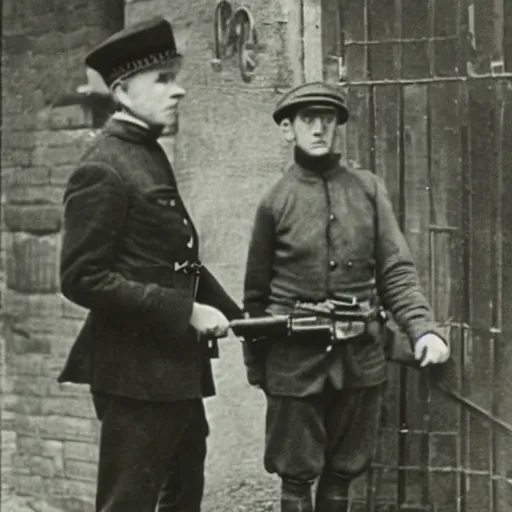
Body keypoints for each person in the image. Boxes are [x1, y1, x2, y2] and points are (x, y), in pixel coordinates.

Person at [57, 17, 243, 512]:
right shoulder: (104, 166)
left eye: (174, 77)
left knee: (182, 497)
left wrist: (243, 318)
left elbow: (177, 263)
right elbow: (81, 277)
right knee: (130, 504)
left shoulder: (147, 155)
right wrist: (185, 312)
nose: (178, 90)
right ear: (121, 91)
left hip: (174, 370)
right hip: (134, 375)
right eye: (162, 80)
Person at [241, 81, 450, 512]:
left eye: (328, 120)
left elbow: (395, 270)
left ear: (337, 126)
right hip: (294, 362)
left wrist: (422, 330)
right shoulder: (274, 203)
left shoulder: (368, 190)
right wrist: (260, 369)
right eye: (307, 120)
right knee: (296, 475)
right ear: (288, 130)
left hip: (360, 359)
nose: (319, 129)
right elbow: (256, 296)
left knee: (343, 471)